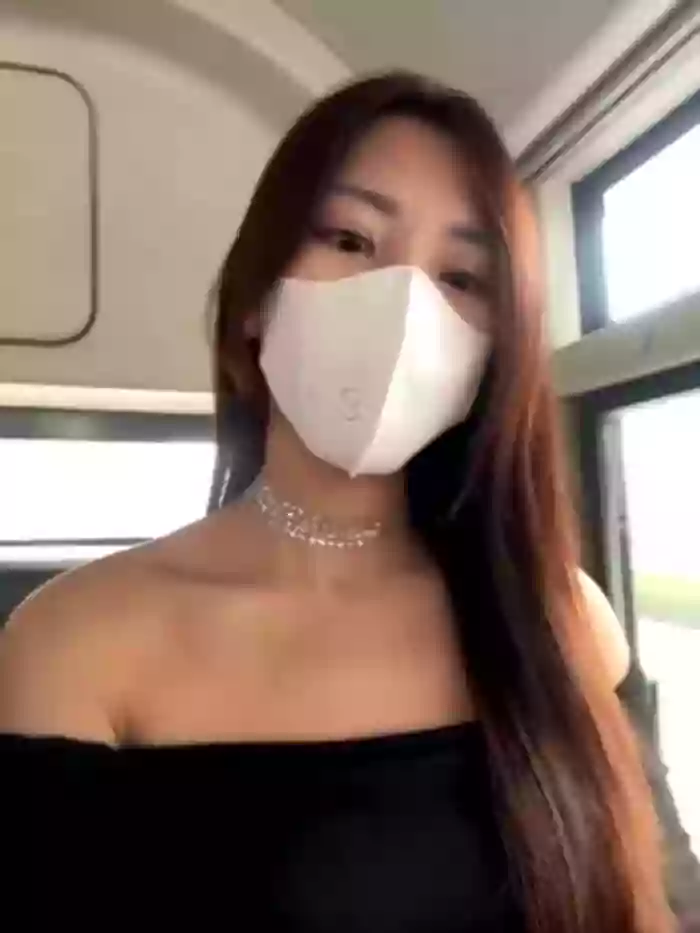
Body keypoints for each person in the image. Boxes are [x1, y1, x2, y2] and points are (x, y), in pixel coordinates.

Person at [0, 72, 698, 933]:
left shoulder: (561, 614)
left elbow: (663, 906)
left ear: (495, 352)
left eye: (462, 277)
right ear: (255, 300)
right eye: (350, 238)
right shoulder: (74, 642)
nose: (403, 305)